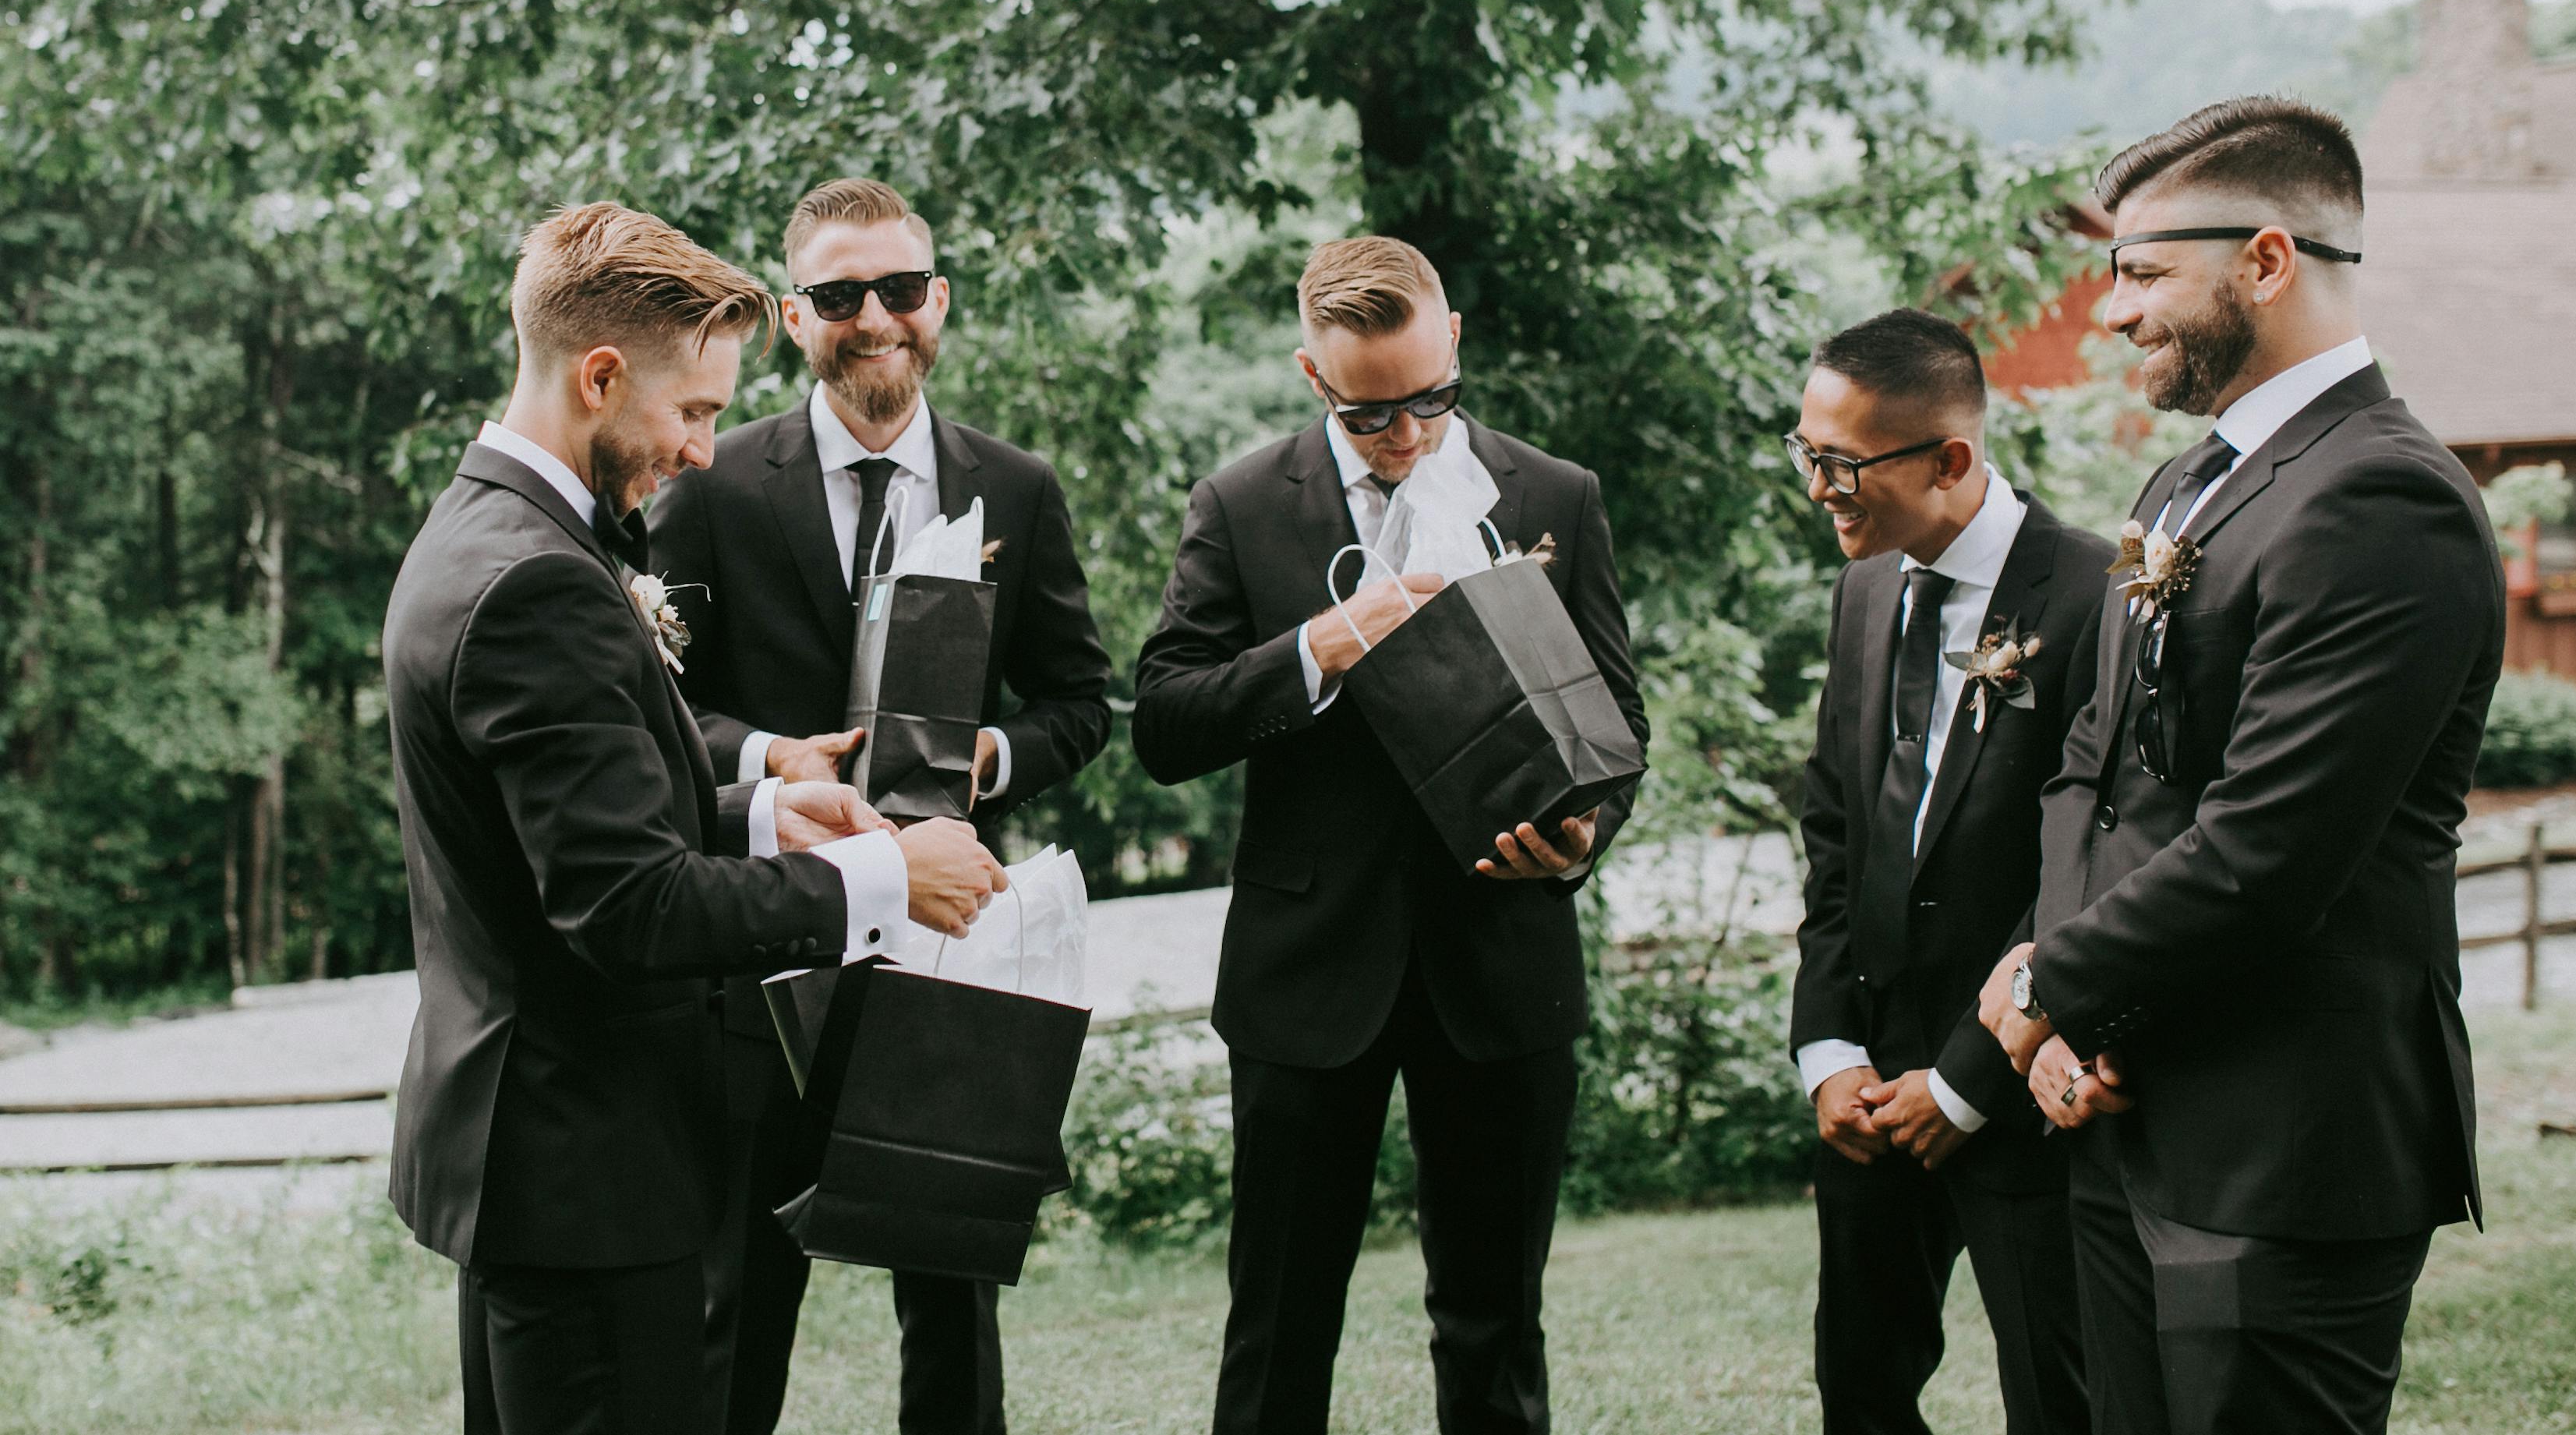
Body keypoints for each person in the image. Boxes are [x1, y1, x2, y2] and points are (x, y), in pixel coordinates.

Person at [383, 201, 1005, 1435]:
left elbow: (567, 828)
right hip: (589, 1174)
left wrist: (767, 813)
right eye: (696, 411)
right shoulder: (539, 585)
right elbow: (626, 905)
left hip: (541, 1160)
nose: (705, 450)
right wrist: (886, 877)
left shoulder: (490, 529)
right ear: (602, 376)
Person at [1975, 97, 2504, 1435]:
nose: (2113, 311)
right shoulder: (2182, 490)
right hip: (2125, 1105)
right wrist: (2071, 1007)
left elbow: (2271, 849)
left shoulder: (2385, 499)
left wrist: (2050, 979)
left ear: (2266, 261)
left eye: (2144, 271)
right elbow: (2086, 775)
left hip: (2284, 1140)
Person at [1131, 235, 1645, 1433]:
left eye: (1430, 400)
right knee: (1279, 1325)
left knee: (1495, 1322)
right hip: (1309, 972)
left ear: (1454, 337)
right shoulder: (1243, 503)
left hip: (1503, 963)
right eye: (1371, 416)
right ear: (1315, 378)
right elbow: (1164, 722)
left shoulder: (1553, 495)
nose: (1408, 434)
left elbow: (1620, 720)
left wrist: (1585, 835)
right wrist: (1323, 642)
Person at [646, 177, 1113, 1435]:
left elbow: (1082, 699)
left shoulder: (1013, 487)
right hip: (764, 945)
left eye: (901, 290)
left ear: (938, 300)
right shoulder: (712, 481)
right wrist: (772, 759)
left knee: (955, 1309)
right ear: (797, 315)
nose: (876, 319)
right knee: (735, 1303)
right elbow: (661, 713)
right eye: (842, 295)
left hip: (949, 944)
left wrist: (992, 760)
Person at [1788, 309, 2108, 1435]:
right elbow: (1836, 832)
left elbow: (2091, 863)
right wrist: (1829, 1048)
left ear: (1951, 460)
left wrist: (1970, 1076)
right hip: (1870, 1091)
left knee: (2060, 1401)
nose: (1820, 485)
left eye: (1841, 463)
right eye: (1807, 452)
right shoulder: (1867, 587)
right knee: (1861, 1394)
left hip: (2018, 1095)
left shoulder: (2093, 596)